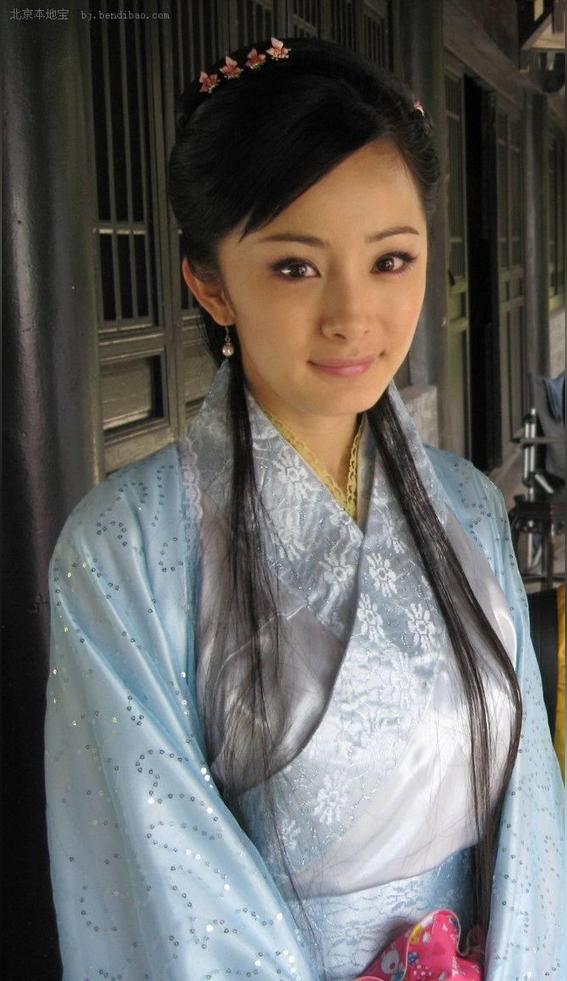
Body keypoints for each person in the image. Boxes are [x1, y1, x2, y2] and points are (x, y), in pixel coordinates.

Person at [44, 36, 564, 981]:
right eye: (294, 267)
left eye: (391, 259)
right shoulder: (124, 550)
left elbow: (529, 821)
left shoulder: (466, 505)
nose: (352, 316)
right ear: (210, 282)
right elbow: (168, 883)